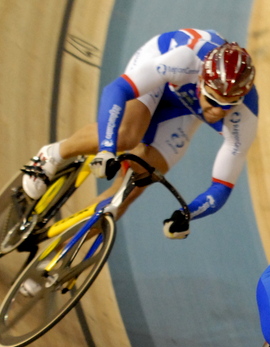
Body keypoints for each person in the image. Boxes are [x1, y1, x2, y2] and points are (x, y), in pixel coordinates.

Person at [20, 29, 257, 240]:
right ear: (202, 82)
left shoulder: (246, 117)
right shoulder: (185, 59)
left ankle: (54, 261)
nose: (217, 111)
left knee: (128, 191)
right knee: (127, 136)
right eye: (213, 100)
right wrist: (107, 148)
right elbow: (117, 89)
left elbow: (222, 186)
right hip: (160, 74)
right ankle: (51, 155)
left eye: (228, 104)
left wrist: (187, 214)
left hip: (184, 109)